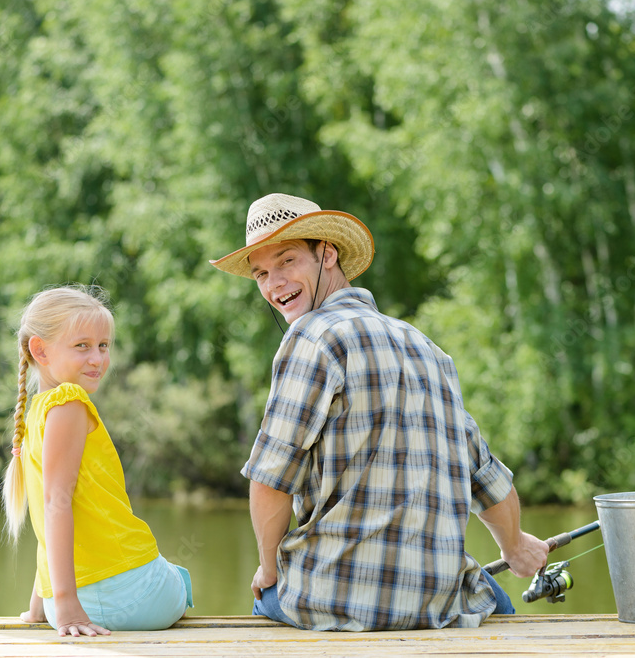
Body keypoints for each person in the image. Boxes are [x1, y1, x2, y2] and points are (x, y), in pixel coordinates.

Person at [210, 193, 549, 631]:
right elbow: (482, 474)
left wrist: (269, 568)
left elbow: (270, 479)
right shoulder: (427, 348)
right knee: (493, 600)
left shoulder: (311, 338)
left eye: (287, 260)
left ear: (327, 254)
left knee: (265, 597)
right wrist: (515, 545)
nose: (274, 283)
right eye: (261, 273)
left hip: (329, 598)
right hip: (440, 605)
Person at [1, 285, 193, 637]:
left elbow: (47, 514)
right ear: (40, 350)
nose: (98, 358)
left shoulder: (36, 414)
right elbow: (56, 506)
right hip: (129, 599)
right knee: (177, 579)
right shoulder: (70, 402)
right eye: (82, 346)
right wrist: (67, 603)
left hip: (65, 603)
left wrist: (42, 606)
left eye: (103, 346)